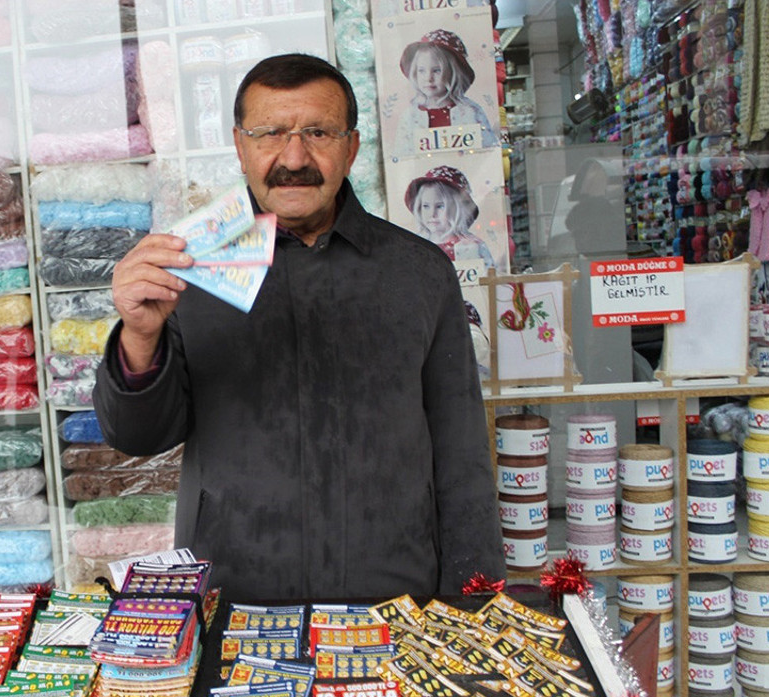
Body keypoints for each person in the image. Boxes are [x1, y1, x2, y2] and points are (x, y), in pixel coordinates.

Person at [94, 54, 503, 601]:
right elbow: (139, 438)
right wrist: (140, 337)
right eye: (270, 133)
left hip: (393, 599)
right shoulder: (187, 270)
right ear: (240, 148)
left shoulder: (419, 272)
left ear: (351, 147)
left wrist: (472, 597)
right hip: (235, 601)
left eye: (318, 132)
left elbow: (461, 453)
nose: (294, 157)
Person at [393, 29, 498, 154]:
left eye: (437, 70)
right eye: (421, 70)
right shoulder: (410, 116)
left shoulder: (471, 111)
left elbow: (488, 150)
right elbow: (402, 155)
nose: (428, 78)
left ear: (453, 72)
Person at [406, 165, 497, 271]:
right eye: (426, 206)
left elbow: (490, 277)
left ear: (457, 208)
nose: (432, 214)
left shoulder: (473, 245)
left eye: (440, 206)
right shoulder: (417, 246)